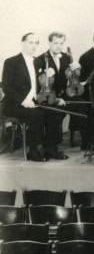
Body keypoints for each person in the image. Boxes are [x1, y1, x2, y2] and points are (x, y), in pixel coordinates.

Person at [1, 33, 66, 161]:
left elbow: (40, 84)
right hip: (14, 104)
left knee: (54, 112)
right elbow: (6, 87)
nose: (34, 46)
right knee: (37, 115)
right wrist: (23, 100)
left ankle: (50, 149)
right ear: (23, 43)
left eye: (36, 43)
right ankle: (34, 151)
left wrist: (49, 77)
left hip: (34, 101)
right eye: (30, 42)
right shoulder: (11, 62)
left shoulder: (37, 61)